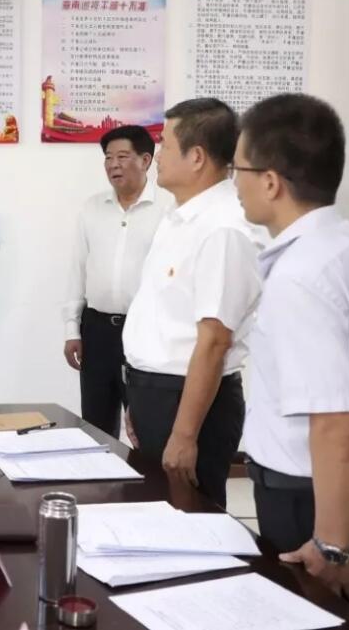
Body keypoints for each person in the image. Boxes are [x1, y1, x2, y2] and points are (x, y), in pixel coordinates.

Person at [233, 93, 349, 609]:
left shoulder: (301, 276)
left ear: (271, 182)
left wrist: (331, 545)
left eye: (238, 169)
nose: (233, 182)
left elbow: (335, 424)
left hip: (315, 508)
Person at [121, 98, 262, 509]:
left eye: (164, 144)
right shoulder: (179, 218)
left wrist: (184, 435)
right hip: (157, 394)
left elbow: (214, 341)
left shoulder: (223, 228)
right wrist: (138, 400)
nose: (157, 155)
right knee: (155, 516)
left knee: (191, 521)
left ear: (197, 157)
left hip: (191, 404)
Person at [62, 125, 171, 437]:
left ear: (146, 160)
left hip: (145, 330)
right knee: (96, 427)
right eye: (108, 158)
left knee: (145, 428)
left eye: (123, 157)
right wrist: (72, 329)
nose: (114, 165)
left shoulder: (168, 210)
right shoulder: (92, 208)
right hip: (96, 331)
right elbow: (78, 270)